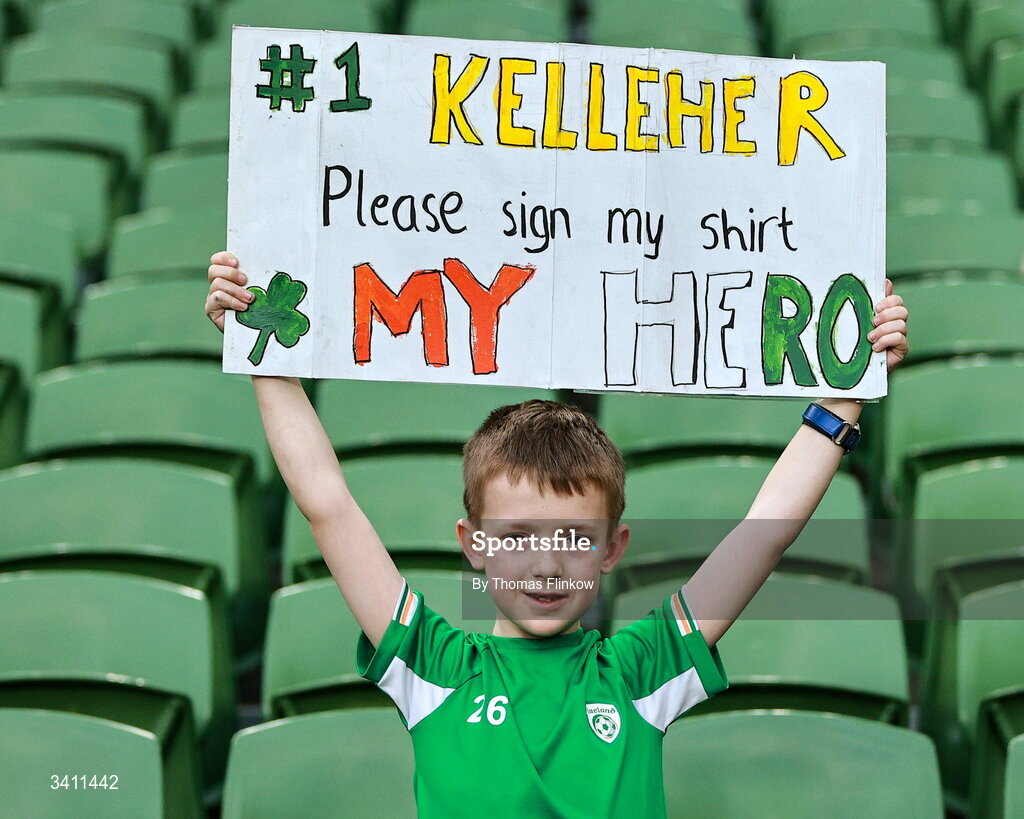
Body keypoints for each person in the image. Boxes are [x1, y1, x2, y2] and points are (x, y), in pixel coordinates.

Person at [206, 250, 909, 817]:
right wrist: (258, 341)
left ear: (612, 549)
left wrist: (844, 394)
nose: (545, 564)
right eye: (516, 536)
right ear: (473, 542)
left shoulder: (640, 669)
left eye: (574, 539)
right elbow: (327, 503)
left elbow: (763, 534)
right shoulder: (436, 665)